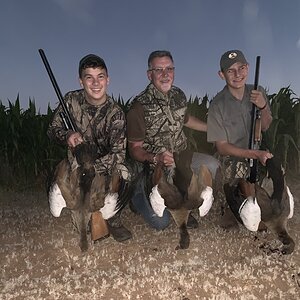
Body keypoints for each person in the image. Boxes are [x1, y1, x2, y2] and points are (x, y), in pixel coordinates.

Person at [127, 50, 220, 230]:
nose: (165, 74)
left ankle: (185, 202)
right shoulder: (139, 106)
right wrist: (157, 158)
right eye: (158, 70)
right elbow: (135, 149)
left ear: (174, 71)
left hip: (181, 158)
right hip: (154, 165)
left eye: (169, 68)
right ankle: (137, 195)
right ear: (149, 74)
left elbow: (187, 120)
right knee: (161, 223)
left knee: (212, 165)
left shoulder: (179, 95)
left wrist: (212, 128)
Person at [47, 54, 132, 242]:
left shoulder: (115, 113)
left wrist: (93, 169)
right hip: (76, 164)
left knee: (126, 173)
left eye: (100, 76)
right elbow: (52, 130)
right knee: (67, 179)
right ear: (80, 80)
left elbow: (118, 154)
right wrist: (67, 135)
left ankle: (112, 217)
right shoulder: (70, 100)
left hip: (103, 165)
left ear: (107, 79)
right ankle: (69, 199)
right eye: (89, 77)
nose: (95, 83)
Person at [207, 49, 273, 228]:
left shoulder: (257, 92)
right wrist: (253, 154)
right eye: (230, 71)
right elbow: (221, 147)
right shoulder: (217, 105)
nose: (237, 74)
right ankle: (230, 205)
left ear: (248, 68)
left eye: (241, 68)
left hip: (257, 152)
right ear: (222, 75)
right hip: (231, 156)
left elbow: (266, 125)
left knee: (276, 171)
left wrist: (264, 106)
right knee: (238, 173)